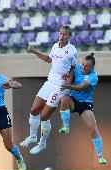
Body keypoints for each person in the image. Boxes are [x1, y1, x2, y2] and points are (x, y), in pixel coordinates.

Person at [20, 25, 77, 154]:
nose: (62, 36)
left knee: (44, 116)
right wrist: (35, 52)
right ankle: (33, 136)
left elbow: (73, 68)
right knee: (34, 110)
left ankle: (42, 143)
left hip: (60, 86)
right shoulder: (55, 46)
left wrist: (69, 82)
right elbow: (48, 59)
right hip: (49, 82)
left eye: (65, 34)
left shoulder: (72, 50)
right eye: (60, 34)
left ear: (70, 36)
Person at [59, 53, 107, 164]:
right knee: (64, 99)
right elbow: (70, 76)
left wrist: (68, 86)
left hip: (85, 104)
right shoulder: (77, 69)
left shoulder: (93, 77)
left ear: (92, 67)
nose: (84, 67)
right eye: (83, 64)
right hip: (74, 100)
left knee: (93, 129)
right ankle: (65, 127)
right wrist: (67, 77)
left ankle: (100, 157)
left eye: (87, 66)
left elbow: (80, 88)